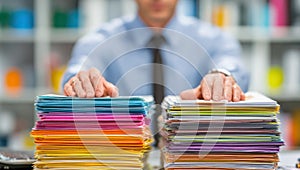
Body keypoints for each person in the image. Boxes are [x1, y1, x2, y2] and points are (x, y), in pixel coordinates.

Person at [62, 0, 249, 102]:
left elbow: (231, 64)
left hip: (192, 156)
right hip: (123, 156)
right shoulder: (101, 39)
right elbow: (79, 67)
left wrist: (223, 76)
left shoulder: (214, 38)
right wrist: (80, 79)